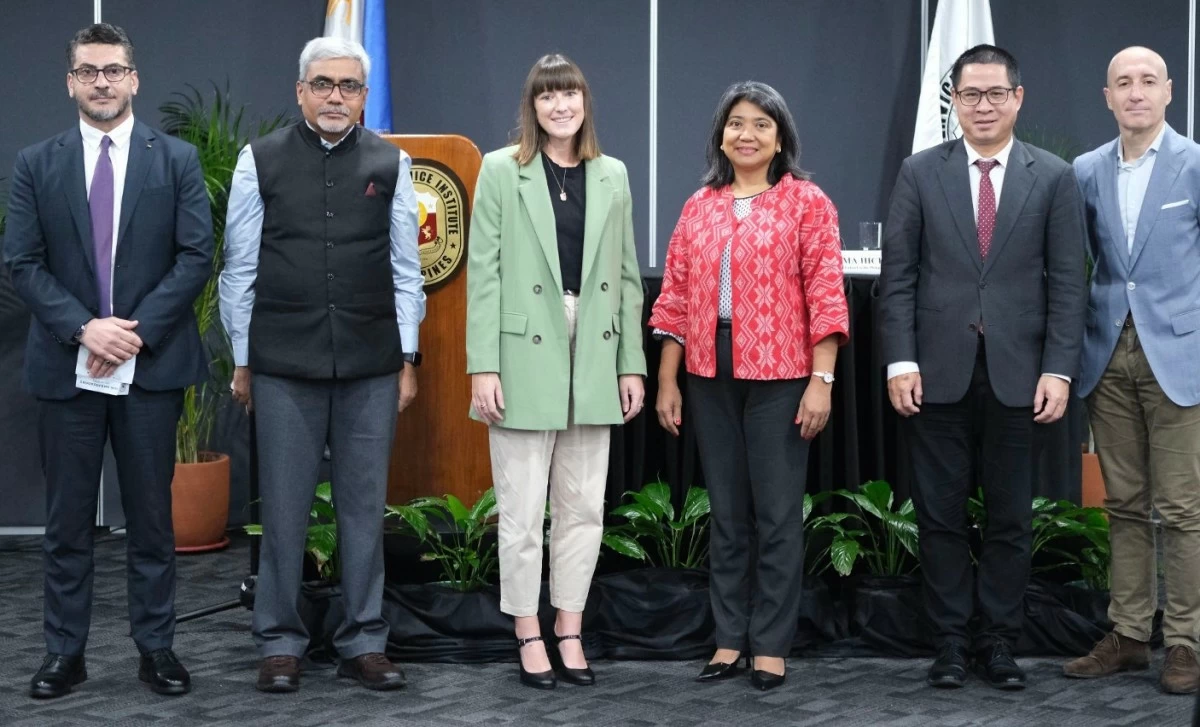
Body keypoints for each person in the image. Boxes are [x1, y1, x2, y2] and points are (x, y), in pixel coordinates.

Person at [3, 23, 213, 698]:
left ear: (134, 79)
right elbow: (22, 262)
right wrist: (85, 328)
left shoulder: (175, 159)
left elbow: (195, 256)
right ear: (70, 83)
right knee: (67, 525)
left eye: (113, 70)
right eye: (89, 71)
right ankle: (64, 653)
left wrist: (132, 334)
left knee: (151, 520)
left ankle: (157, 649)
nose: (102, 82)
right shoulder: (36, 163)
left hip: (150, 368)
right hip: (67, 367)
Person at [219, 36, 424, 693]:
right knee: (283, 510)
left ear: (364, 96)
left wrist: (408, 356)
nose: (336, 96)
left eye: (349, 86)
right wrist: (243, 359)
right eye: (324, 84)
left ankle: (363, 640)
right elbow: (239, 268)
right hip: (283, 363)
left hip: (370, 362)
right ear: (301, 91)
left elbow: (406, 271)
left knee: (363, 509)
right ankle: (281, 642)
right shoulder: (259, 160)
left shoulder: (391, 162)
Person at [879, 44, 1086, 690]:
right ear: (956, 103)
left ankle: (998, 641)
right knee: (938, 516)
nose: (984, 106)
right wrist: (900, 360)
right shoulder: (920, 172)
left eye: (997, 93)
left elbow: (1068, 283)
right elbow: (898, 276)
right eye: (971, 94)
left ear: (1018, 98)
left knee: (1010, 519)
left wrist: (1059, 369)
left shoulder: (1054, 177)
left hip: (1021, 378)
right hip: (935, 374)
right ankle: (948, 642)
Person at [649, 81, 849, 691]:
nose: (747, 134)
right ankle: (729, 639)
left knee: (778, 516)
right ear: (721, 136)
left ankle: (771, 645)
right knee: (728, 515)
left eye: (762, 124)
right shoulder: (699, 206)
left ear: (781, 138)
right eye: (736, 123)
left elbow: (827, 298)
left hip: (783, 375)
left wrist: (821, 380)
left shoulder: (807, 202)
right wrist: (667, 381)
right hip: (708, 373)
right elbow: (674, 299)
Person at [466, 53, 646, 690]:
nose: (560, 105)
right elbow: (483, 274)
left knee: (584, 507)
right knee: (520, 511)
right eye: (547, 96)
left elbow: (627, 276)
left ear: (585, 102)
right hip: (522, 352)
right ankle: (527, 631)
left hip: (594, 348)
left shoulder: (612, 174)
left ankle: (569, 628)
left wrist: (631, 364)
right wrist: (483, 365)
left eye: (569, 94)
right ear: (533, 106)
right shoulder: (501, 169)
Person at [1063, 46, 1200, 695]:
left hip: (1179, 355)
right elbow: (1074, 265)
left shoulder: (1194, 163)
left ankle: (1185, 641)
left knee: (1182, 508)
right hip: (1106, 354)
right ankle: (1129, 635)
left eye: (1148, 81)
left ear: (1169, 91)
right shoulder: (1086, 170)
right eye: (1124, 82)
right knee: (1123, 504)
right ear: (1108, 96)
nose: (1136, 92)